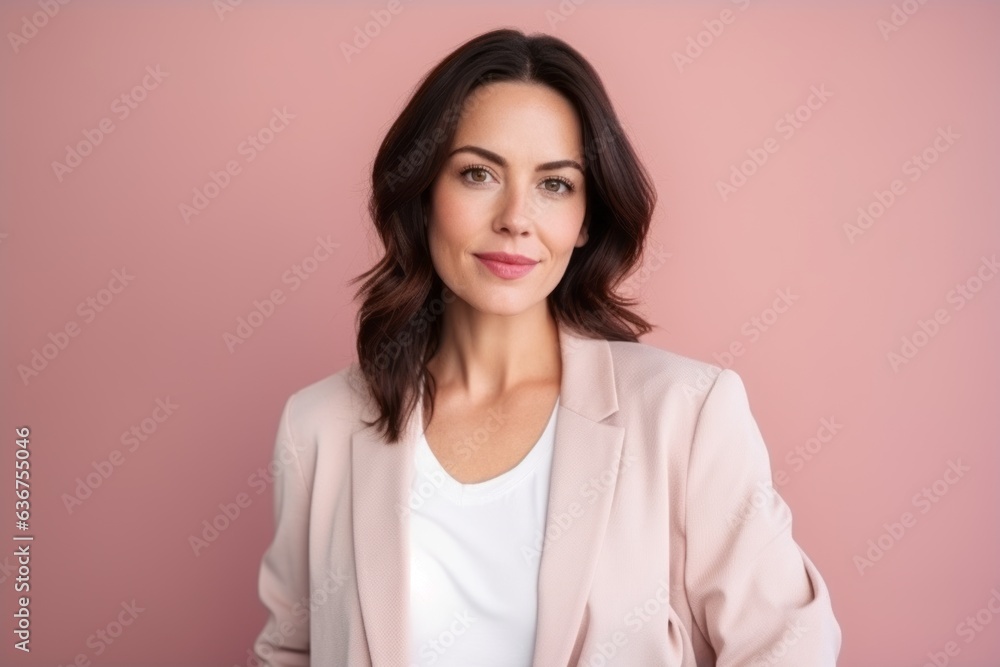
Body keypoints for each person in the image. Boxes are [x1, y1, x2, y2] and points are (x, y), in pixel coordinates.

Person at [252, 27, 841, 666]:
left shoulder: (685, 415)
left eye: (555, 184)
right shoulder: (316, 427)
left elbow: (789, 643)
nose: (516, 216)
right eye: (477, 173)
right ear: (424, 195)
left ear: (586, 216)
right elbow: (290, 651)